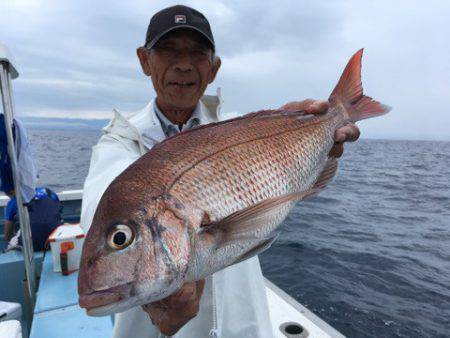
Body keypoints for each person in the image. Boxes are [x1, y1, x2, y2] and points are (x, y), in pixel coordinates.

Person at [80, 5, 361, 338]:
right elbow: (98, 207)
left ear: (213, 69)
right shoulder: (119, 139)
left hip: (242, 326)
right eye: (168, 49)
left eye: (198, 53)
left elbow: (293, 186)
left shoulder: (238, 127)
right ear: (144, 60)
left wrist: (320, 141)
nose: (183, 64)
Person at [4, 186, 62, 251]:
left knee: (10, 245)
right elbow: (58, 214)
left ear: (12, 192)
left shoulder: (13, 202)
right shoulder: (49, 192)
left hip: (31, 246)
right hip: (55, 240)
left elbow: (7, 235)